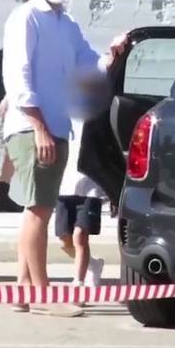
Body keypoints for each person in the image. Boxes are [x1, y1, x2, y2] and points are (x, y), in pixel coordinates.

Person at [3, 0, 125, 316]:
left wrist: (114, 54)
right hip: (32, 126)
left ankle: (24, 291)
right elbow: (18, 76)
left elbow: (89, 65)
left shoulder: (66, 24)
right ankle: (42, 295)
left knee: (34, 209)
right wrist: (38, 126)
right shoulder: (25, 18)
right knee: (39, 210)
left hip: (56, 126)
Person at [0, 0, 37, 213]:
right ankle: (6, 192)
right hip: (23, 105)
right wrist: (7, 97)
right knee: (21, 145)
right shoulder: (19, 31)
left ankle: (3, 191)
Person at [55, 115, 107, 288]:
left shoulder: (98, 117)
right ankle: (93, 265)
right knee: (65, 240)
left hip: (90, 187)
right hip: (64, 185)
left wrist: (111, 191)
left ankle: (78, 282)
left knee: (80, 236)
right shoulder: (60, 113)